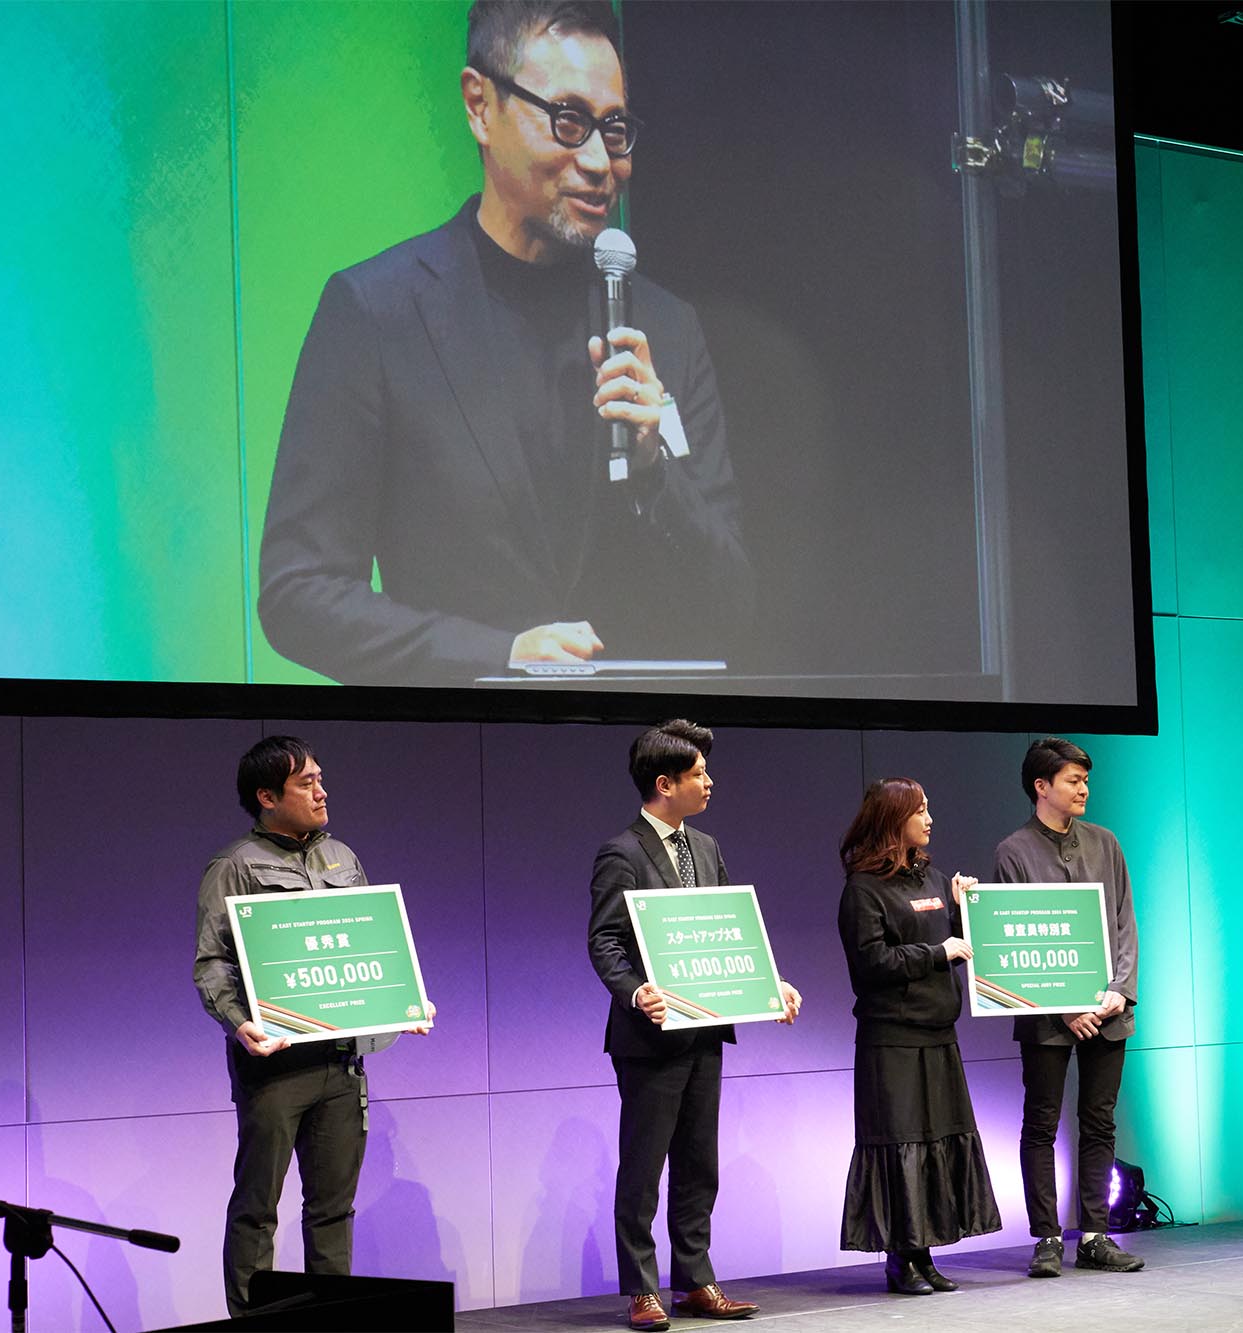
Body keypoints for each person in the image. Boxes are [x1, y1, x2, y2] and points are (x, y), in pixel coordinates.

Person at [258, 0, 752, 685]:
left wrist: (654, 472)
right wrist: (497, 657)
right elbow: (298, 593)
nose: (598, 160)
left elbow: (732, 602)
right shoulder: (376, 312)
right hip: (462, 753)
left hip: (644, 756)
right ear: (479, 106)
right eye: (569, 121)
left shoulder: (665, 328)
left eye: (614, 130)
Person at [587, 719, 800, 1330]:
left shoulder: (705, 847)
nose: (709, 782)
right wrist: (636, 993)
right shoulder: (622, 852)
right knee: (644, 1165)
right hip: (650, 1037)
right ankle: (642, 1290)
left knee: (698, 1164)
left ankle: (696, 1281)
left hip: (705, 1029)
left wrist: (770, 984)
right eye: (698, 773)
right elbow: (603, 941)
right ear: (664, 783)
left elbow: (729, 930)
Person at [193, 737, 403, 1316]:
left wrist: (403, 1001)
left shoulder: (342, 856)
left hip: (340, 1061)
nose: (321, 790)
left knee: (333, 1208)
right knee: (258, 1207)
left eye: (320, 777)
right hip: (275, 1066)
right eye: (306, 782)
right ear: (266, 796)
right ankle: (253, 1322)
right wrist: (238, 1025)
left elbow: (371, 944)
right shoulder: (234, 865)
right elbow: (211, 963)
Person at [836, 778, 1000, 1294]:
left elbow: (947, 939)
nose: (930, 819)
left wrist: (961, 908)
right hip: (893, 1040)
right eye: (920, 810)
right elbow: (871, 963)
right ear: (892, 820)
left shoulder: (930, 875)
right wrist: (937, 953)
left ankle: (924, 1254)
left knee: (933, 1142)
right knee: (901, 1144)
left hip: (938, 1032)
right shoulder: (863, 889)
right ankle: (900, 1258)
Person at [992, 738, 1145, 1278]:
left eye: (1085, 780)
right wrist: (1062, 1008)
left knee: (1099, 1122)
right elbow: (1016, 944)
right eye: (1072, 781)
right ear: (1041, 786)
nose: (1083, 789)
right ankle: (1046, 1238)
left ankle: (1096, 1234)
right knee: (1042, 1123)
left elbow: (1125, 923)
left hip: (1108, 1010)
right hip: (1047, 1018)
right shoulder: (1014, 851)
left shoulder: (1106, 843)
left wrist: (1118, 990)